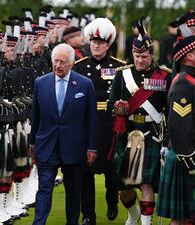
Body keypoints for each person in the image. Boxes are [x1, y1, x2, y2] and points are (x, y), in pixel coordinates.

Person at [108, 18, 171, 225]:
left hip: (151, 134)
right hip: (127, 133)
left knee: (147, 184)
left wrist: (168, 139)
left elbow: (169, 111)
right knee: (123, 186)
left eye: (144, 56)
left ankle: (145, 222)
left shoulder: (164, 76)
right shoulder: (122, 75)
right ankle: (133, 214)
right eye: (137, 56)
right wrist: (118, 108)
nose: (140, 60)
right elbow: (110, 106)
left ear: (151, 55)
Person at [30, 43, 97, 225]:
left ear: (72, 63)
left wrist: (92, 147)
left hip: (74, 148)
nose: (58, 66)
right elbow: (35, 116)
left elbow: (91, 120)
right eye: (55, 61)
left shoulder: (85, 84)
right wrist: (32, 143)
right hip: (47, 145)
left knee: (73, 192)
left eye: (62, 62)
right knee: (44, 188)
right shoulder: (40, 83)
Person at [73, 17, 125, 225]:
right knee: (86, 171)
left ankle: (112, 201)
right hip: (87, 124)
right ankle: (88, 214)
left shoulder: (119, 67)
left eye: (101, 43)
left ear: (108, 44)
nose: (96, 46)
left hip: (109, 124)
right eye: (93, 42)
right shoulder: (79, 66)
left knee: (111, 169)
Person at [157, 35, 195, 225]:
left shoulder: (191, 79)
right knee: (179, 220)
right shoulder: (183, 83)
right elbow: (178, 126)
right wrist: (191, 159)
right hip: (184, 154)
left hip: (191, 149)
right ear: (188, 57)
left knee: (191, 216)